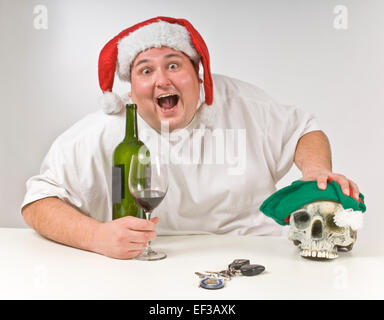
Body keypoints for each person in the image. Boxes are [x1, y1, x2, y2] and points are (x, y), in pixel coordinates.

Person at [21, 16, 360, 260]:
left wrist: (316, 169)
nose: (161, 80)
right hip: (148, 266)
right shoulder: (101, 132)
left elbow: (303, 129)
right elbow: (38, 202)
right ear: (130, 90)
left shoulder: (240, 103)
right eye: (145, 70)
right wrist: (96, 237)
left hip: (254, 256)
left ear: (198, 76)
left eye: (173, 65)